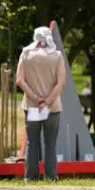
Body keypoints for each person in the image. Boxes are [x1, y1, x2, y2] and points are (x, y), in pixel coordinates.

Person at [16, 26, 67, 181]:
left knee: (32, 142)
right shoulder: (57, 56)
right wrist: (48, 100)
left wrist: (36, 98)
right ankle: (51, 177)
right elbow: (61, 82)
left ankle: (30, 177)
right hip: (52, 107)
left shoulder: (25, 54)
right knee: (50, 143)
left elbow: (19, 80)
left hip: (32, 106)